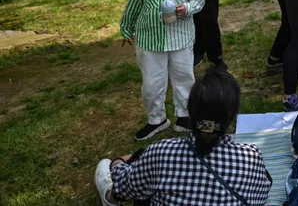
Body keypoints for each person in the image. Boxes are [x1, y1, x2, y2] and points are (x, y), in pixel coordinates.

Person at [94, 68, 272, 206]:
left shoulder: (162, 152)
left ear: (190, 112)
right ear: (232, 117)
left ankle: (109, 196)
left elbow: (126, 187)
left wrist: (117, 164)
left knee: (141, 170)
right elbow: (261, 194)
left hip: (143, 169)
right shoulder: (251, 156)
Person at [120, 0, 206, 141]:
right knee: (151, 83)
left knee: (184, 78)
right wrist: (126, 27)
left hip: (181, 38)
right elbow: (134, 4)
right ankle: (156, 119)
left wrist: (185, 8)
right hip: (149, 41)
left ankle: (185, 116)